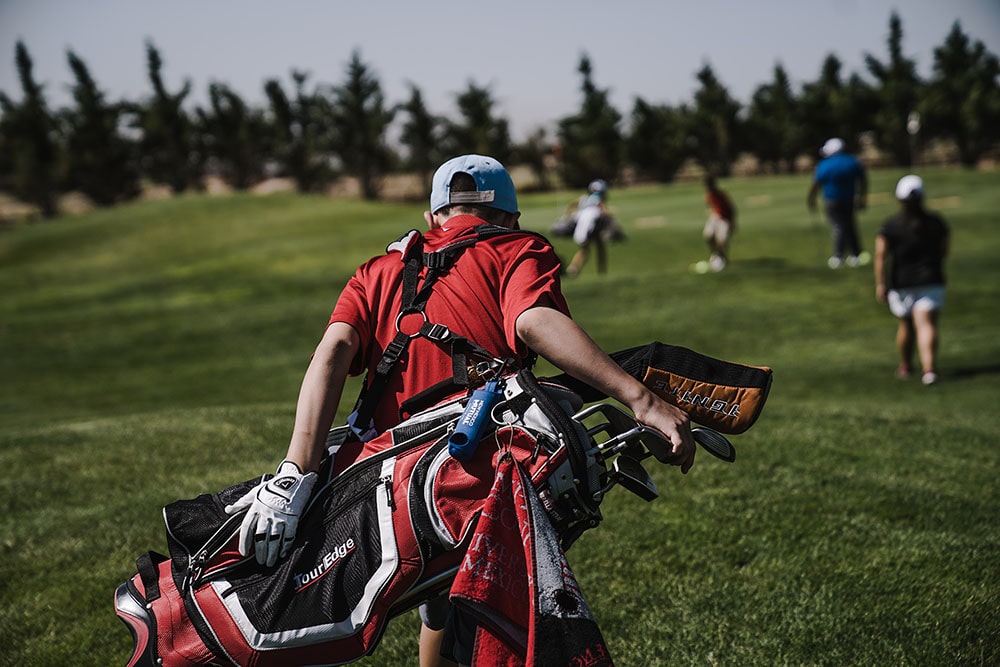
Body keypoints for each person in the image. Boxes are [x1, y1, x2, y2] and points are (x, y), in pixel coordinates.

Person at [224, 155, 696, 666]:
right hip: (476, 475)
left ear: (433, 218)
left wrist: (294, 472)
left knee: (441, 606)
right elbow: (534, 321)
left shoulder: (378, 270)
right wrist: (642, 399)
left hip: (388, 488)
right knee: (487, 610)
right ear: (510, 217)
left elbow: (334, 351)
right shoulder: (518, 248)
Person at [874, 174, 949, 385]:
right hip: (931, 279)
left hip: (902, 282)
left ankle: (906, 366)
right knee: (926, 324)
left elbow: (881, 256)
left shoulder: (891, 225)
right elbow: (944, 251)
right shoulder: (936, 222)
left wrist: (881, 283)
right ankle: (929, 370)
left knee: (906, 325)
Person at [807, 137, 870, 269]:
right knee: (850, 225)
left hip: (832, 200)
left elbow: (816, 183)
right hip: (849, 199)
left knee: (838, 227)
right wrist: (862, 197)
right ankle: (855, 255)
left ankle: (838, 256)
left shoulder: (825, 164)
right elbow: (863, 179)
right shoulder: (852, 161)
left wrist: (811, 199)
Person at [566, 179, 612, 276]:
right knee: (595, 248)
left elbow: (571, 206)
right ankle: (601, 271)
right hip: (590, 230)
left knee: (586, 250)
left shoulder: (584, 198)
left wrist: (570, 215)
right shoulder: (598, 200)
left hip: (581, 230)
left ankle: (574, 268)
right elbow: (604, 212)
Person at [702, 175, 736, 272]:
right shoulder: (708, 195)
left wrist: (732, 222)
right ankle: (715, 255)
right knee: (708, 235)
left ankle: (723, 258)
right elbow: (709, 206)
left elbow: (731, 209)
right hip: (715, 217)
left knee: (722, 240)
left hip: (725, 219)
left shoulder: (721, 195)